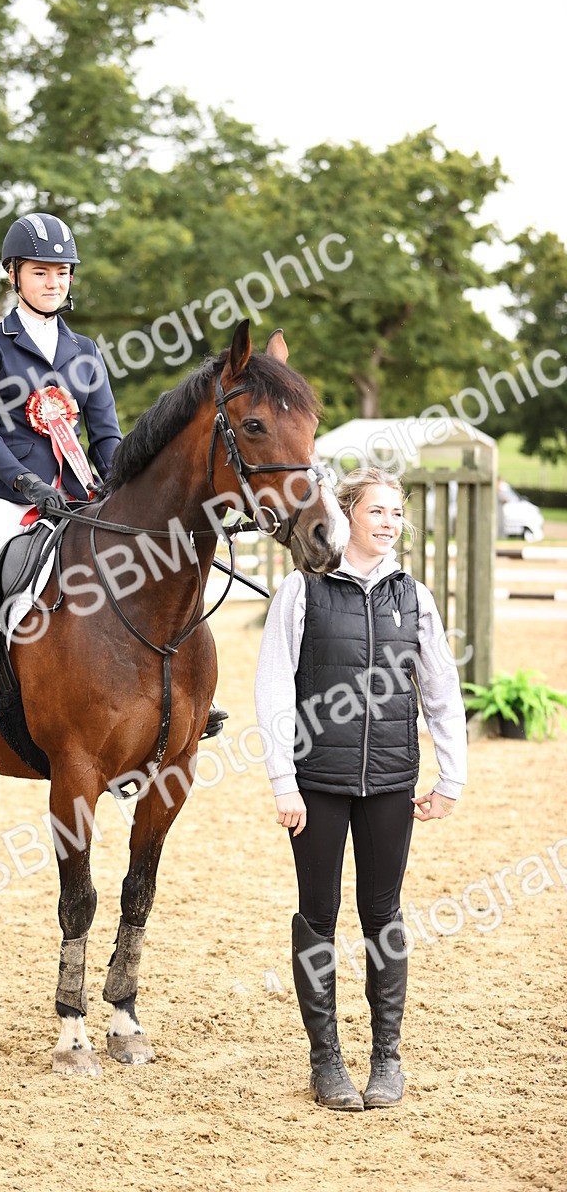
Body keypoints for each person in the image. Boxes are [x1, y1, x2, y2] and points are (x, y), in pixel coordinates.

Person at [255, 467, 467, 1111]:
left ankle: (386, 1059)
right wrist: (282, 780)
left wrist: (450, 774)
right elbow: (274, 687)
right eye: (376, 511)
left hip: (391, 782)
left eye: (396, 514)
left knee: (384, 916)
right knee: (318, 916)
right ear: (347, 514)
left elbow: (439, 690)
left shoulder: (415, 597)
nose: (387, 523)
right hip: (315, 782)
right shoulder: (301, 590)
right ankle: (326, 1063)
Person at [0, 211, 123, 761]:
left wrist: (121, 486)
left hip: (79, 499)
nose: (54, 282)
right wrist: (27, 482)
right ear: (14, 274)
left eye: (63, 272)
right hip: (3, 496)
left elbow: (106, 436)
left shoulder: (85, 352)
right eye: (41, 272)